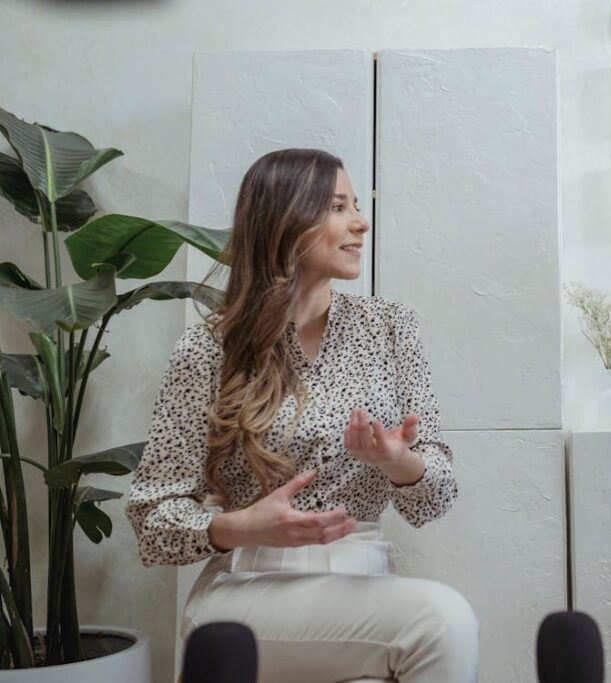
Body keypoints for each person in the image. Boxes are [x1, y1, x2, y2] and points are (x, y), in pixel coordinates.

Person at [126, 148, 479, 683]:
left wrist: (397, 460)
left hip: (364, 588)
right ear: (285, 222)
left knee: (432, 625)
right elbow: (153, 521)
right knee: (443, 621)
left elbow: (438, 497)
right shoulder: (209, 349)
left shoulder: (389, 327)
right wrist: (241, 526)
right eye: (338, 207)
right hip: (245, 591)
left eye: (357, 205)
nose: (361, 222)